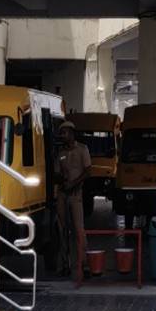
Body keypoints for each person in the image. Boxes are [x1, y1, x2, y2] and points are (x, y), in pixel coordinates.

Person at [55, 120, 91, 282]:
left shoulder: (82, 149)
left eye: (64, 133)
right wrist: (61, 179)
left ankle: (84, 265)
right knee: (62, 229)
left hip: (76, 195)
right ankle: (64, 265)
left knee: (79, 229)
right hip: (63, 194)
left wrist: (73, 183)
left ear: (71, 133)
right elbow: (56, 172)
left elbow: (88, 171)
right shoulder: (60, 152)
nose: (62, 136)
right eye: (61, 133)